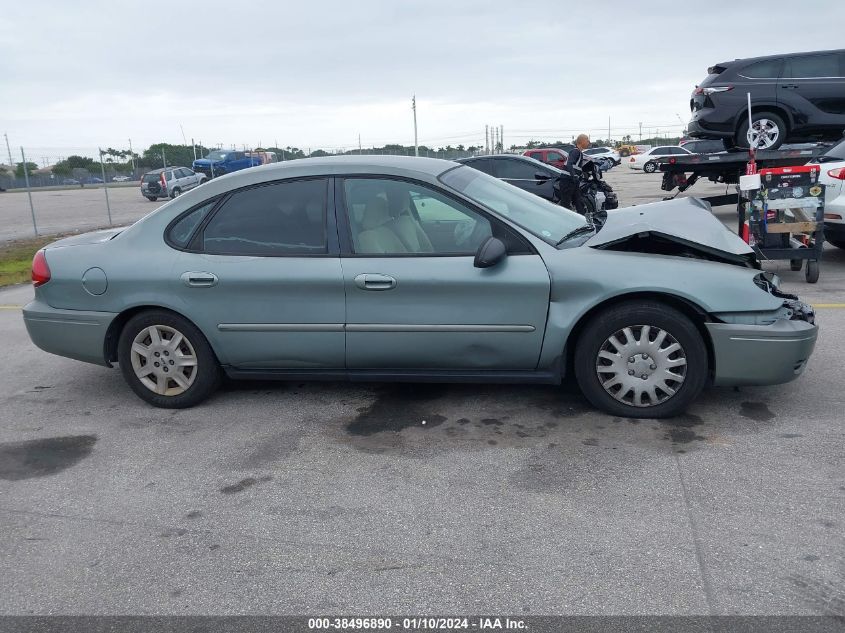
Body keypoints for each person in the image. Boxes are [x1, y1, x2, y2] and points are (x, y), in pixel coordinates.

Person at [558, 134, 592, 214]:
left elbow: (576, 167)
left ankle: (582, 219)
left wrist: (583, 175)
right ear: (582, 141)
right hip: (567, 182)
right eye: (587, 140)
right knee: (565, 205)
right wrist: (574, 176)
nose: (588, 142)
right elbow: (569, 164)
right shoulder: (575, 151)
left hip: (573, 182)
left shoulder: (579, 152)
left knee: (578, 201)